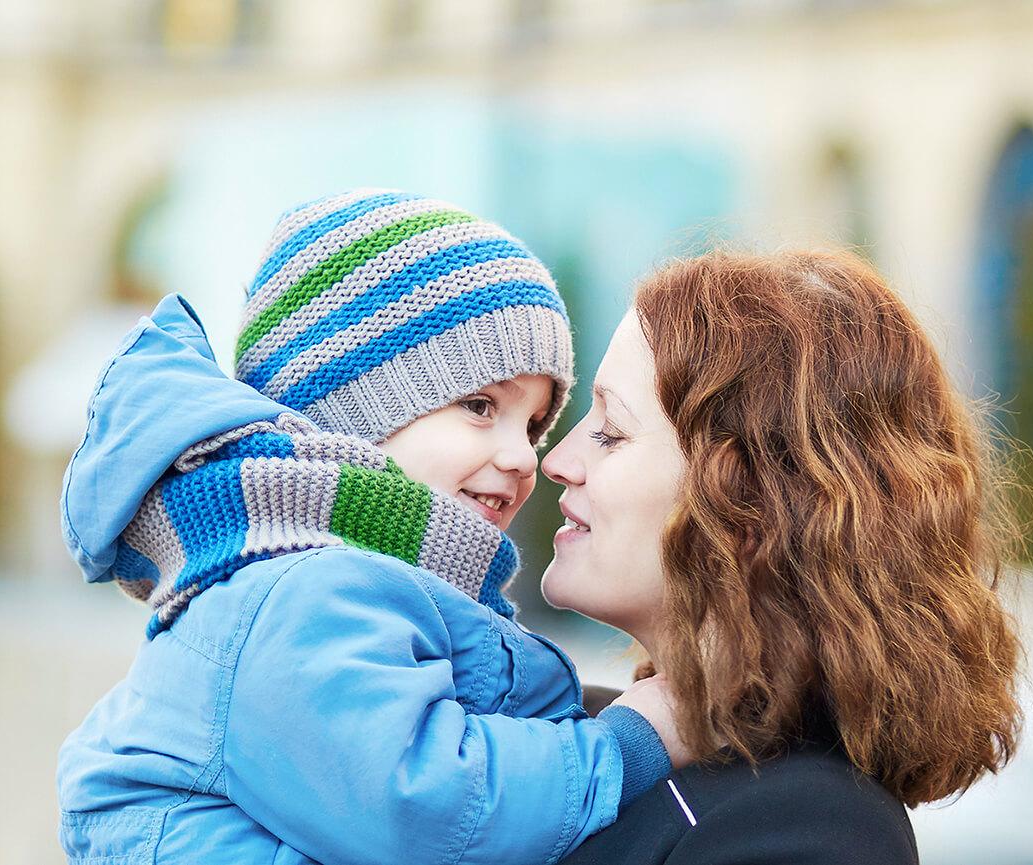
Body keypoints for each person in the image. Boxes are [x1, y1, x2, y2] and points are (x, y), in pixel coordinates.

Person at [57, 190, 688, 865]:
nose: (522, 456)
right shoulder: (299, 592)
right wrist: (629, 740)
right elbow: (421, 808)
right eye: (480, 406)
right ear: (352, 415)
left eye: (533, 425)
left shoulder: (364, 585)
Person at [545, 249, 1025, 863]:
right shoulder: (570, 737)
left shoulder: (809, 828)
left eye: (611, 431)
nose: (555, 460)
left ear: (749, 501)